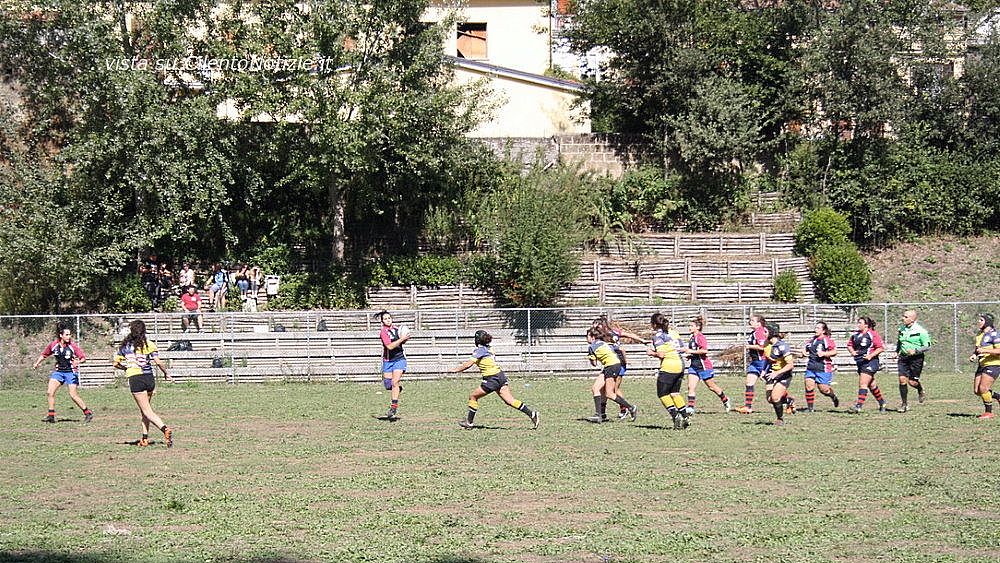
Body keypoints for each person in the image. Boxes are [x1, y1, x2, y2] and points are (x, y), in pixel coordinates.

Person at [451, 330, 539, 429]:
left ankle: (469, 422)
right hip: (500, 376)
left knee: (473, 397)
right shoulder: (489, 348)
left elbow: (468, 364)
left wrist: (455, 370)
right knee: (510, 401)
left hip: (491, 378)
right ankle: (532, 414)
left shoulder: (479, 351)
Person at [113, 320, 175, 447]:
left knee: (147, 411)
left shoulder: (125, 346)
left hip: (136, 379)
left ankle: (165, 429)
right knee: (145, 411)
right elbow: (158, 362)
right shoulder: (149, 344)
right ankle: (144, 438)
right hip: (149, 378)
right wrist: (166, 374)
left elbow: (115, 363)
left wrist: (125, 368)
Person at [32, 323, 93, 423]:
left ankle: (88, 413)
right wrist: (37, 363)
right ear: (61, 335)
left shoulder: (73, 346)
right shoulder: (53, 345)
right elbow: (44, 354)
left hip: (71, 373)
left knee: (73, 395)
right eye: (67, 335)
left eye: (70, 335)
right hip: (59, 372)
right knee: (50, 392)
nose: (69, 337)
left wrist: (78, 361)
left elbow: (83, 358)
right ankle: (51, 416)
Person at [591, 314, 648, 420]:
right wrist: (642, 340)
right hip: (612, 362)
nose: (593, 329)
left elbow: (624, 344)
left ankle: (625, 409)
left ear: (600, 326)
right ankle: (602, 413)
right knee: (603, 389)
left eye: (595, 327)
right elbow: (628, 335)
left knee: (613, 389)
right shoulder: (613, 332)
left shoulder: (605, 336)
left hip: (616, 363)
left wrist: (642, 341)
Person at [585, 327, 638, 423]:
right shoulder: (603, 343)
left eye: (587, 336)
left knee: (609, 393)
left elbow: (594, 364)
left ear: (592, 337)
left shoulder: (592, 347)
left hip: (611, 366)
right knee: (596, 388)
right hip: (612, 365)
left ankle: (630, 407)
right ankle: (599, 415)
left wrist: (590, 357)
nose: (586, 338)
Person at [647, 313, 689, 429]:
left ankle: (675, 416)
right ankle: (685, 416)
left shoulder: (658, 336)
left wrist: (652, 353)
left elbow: (661, 354)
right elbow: (681, 349)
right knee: (675, 393)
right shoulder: (673, 332)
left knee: (662, 394)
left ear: (654, 324)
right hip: (680, 365)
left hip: (669, 366)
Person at [684, 315, 732, 413]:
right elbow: (696, 351)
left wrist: (690, 351)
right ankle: (690, 408)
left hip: (704, 367)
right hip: (694, 367)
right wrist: (691, 356)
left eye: (691, 326)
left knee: (711, 387)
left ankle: (725, 399)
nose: (689, 328)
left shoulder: (700, 337)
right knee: (690, 386)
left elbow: (704, 350)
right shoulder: (692, 337)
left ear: (697, 327)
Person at [847, 316, 887, 413]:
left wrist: (870, 356)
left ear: (866, 325)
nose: (858, 325)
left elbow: (880, 348)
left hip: (871, 362)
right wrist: (852, 351)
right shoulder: (855, 335)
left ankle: (858, 406)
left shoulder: (872, 334)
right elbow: (849, 345)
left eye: (860, 323)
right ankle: (882, 402)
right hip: (860, 362)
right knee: (872, 385)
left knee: (863, 383)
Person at [895, 309, 931, 412]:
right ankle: (904, 404)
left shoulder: (921, 331)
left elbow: (927, 346)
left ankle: (920, 389)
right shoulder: (901, 329)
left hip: (916, 359)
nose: (903, 318)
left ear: (912, 319)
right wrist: (897, 351)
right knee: (902, 380)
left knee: (912, 382)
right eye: (903, 316)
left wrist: (916, 350)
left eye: (906, 317)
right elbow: (899, 341)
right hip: (903, 357)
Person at [378, 310, 410, 420]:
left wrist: (404, 339)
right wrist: (402, 339)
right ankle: (397, 389)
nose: (388, 320)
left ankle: (393, 408)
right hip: (388, 361)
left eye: (389, 318)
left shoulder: (398, 330)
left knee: (394, 382)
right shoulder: (383, 332)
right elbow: (390, 347)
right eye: (385, 319)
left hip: (399, 359)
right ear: (382, 321)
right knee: (388, 385)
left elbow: (402, 342)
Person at [801, 321, 840, 412]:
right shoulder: (812, 340)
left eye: (818, 328)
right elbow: (806, 348)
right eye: (816, 328)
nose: (816, 329)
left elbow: (834, 352)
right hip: (811, 367)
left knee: (824, 390)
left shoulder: (826, 340)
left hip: (823, 368)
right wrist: (803, 352)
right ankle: (810, 408)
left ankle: (833, 396)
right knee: (809, 387)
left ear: (823, 331)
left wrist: (824, 353)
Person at [761, 323, 795, 425]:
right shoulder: (766, 344)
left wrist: (777, 373)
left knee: (775, 397)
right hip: (771, 373)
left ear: (772, 333)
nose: (763, 333)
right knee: (770, 399)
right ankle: (789, 400)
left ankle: (780, 419)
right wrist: (763, 370)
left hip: (783, 375)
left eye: (766, 331)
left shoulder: (782, 346)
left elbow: (790, 365)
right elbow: (768, 359)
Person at [736, 314, 770, 414]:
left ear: (759, 323)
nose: (750, 322)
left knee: (772, 390)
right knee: (749, 383)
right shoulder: (755, 332)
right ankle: (748, 407)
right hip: (755, 363)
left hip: (762, 362)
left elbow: (762, 347)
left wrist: (748, 346)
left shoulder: (759, 332)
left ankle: (789, 401)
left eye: (752, 320)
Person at [969, 313, 1000, 420]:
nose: (979, 322)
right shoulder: (979, 334)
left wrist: (985, 350)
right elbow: (978, 349)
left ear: (988, 322)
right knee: (977, 391)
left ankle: (988, 412)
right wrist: (974, 354)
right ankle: (998, 396)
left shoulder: (994, 334)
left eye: (981, 320)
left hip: (993, 364)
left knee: (983, 388)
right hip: (982, 364)